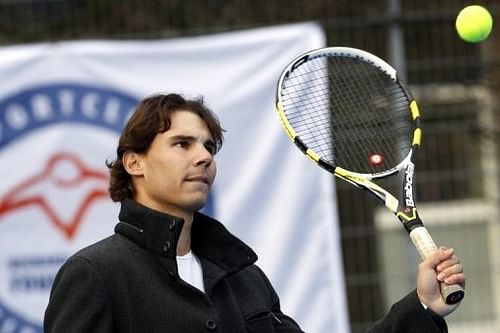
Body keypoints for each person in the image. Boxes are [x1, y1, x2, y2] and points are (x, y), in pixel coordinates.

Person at [44, 93, 465, 332]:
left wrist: (423, 309)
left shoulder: (242, 277)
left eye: (209, 147)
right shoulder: (95, 274)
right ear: (134, 163)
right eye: (182, 144)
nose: (203, 158)